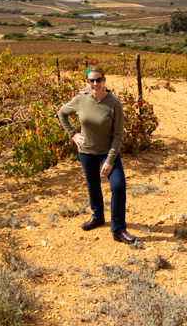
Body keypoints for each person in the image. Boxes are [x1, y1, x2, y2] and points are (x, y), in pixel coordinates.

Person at [56, 66, 136, 244]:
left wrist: (109, 160)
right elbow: (61, 113)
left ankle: (118, 229)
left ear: (104, 80)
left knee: (118, 187)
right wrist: (73, 134)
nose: (95, 83)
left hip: (108, 152)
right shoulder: (81, 99)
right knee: (93, 186)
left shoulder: (113, 103)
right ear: (87, 82)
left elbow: (118, 135)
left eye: (98, 79)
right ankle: (98, 216)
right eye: (91, 80)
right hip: (86, 151)